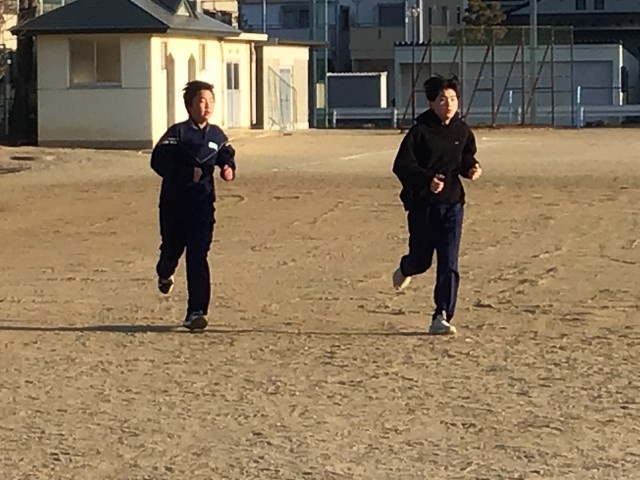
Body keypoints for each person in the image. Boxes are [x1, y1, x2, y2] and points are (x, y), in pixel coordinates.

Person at [391, 75, 482, 335]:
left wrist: (471, 168)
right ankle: (407, 267)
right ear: (431, 103)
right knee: (422, 260)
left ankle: (441, 315)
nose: (449, 104)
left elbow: (465, 157)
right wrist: (427, 181)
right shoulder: (420, 132)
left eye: (453, 99)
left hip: (453, 203)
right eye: (442, 99)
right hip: (423, 205)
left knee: (449, 262)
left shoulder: (462, 130)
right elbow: (402, 165)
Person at [151, 80, 236, 331]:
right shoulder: (177, 134)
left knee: (198, 255)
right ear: (189, 105)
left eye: (211, 101)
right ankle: (164, 272)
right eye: (201, 101)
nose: (207, 106)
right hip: (175, 204)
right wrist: (187, 173)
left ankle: (196, 311)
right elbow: (158, 161)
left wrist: (228, 167)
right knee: (172, 250)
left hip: (203, 204)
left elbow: (226, 154)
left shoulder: (216, 135)